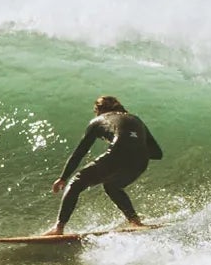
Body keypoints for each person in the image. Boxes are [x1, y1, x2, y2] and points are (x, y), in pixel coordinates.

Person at [54, 90, 165, 234]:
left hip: (118, 152)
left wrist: (63, 178)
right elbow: (157, 153)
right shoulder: (136, 119)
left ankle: (58, 228)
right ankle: (135, 222)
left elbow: (80, 152)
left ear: (99, 110)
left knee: (75, 182)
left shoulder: (98, 121)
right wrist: (133, 151)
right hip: (141, 159)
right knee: (112, 186)